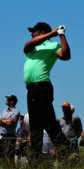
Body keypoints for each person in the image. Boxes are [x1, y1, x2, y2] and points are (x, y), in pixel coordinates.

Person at [23, 22, 71, 157]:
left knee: (48, 123)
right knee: (36, 126)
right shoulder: (33, 46)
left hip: (42, 87)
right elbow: (27, 45)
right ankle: (37, 158)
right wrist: (52, 33)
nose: (32, 34)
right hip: (32, 89)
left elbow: (65, 56)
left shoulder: (53, 45)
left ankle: (66, 151)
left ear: (42, 32)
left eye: (34, 31)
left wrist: (61, 36)